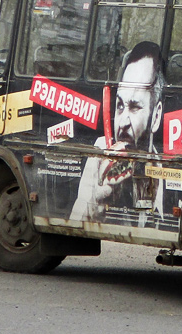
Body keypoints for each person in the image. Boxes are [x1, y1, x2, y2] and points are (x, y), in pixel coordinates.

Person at [71, 41, 166, 224]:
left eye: (135, 107)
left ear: (156, 117)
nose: (122, 122)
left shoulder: (169, 170)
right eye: (120, 106)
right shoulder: (100, 152)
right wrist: (95, 203)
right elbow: (75, 222)